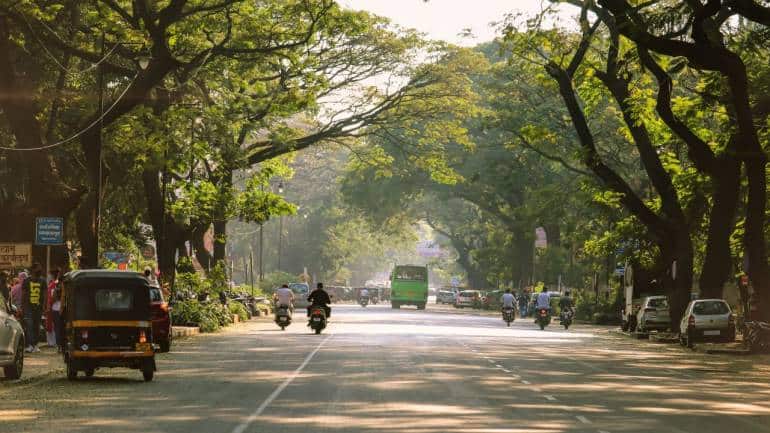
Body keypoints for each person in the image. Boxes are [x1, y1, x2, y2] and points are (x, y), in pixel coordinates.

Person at [22, 263, 47, 353]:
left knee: (36, 326)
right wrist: (22, 307)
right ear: (33, 270)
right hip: (28, 307)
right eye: (38, 269)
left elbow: (45, 294)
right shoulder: (26, 281)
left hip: (38, 308)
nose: (40, 270)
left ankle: (35, 345)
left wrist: (44, 306)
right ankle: (30, 345)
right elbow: (23, 295)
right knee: (29, 325)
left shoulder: (43, 281)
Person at [45, 269, 60, 347]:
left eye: (50, 274)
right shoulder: (53, 284)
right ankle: (52, 342)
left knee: (53, 325)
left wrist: (49, 305)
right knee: (51, 325)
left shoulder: (55, 284)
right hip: (52, 306)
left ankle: (53, 342)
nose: (49, 276)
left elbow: (53, 297)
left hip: (53, 307)